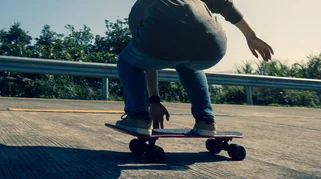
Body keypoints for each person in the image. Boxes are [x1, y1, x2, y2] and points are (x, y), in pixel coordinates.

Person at [115, 0, 274, 136]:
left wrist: (153, 100)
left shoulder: (138, 10)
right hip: (212, 46)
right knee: (190, 64)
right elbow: (225, 5)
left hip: (158, 40)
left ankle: (137, 116)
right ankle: (205, 120)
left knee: (127, 61)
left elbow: (145, 60)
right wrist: (251, 36)